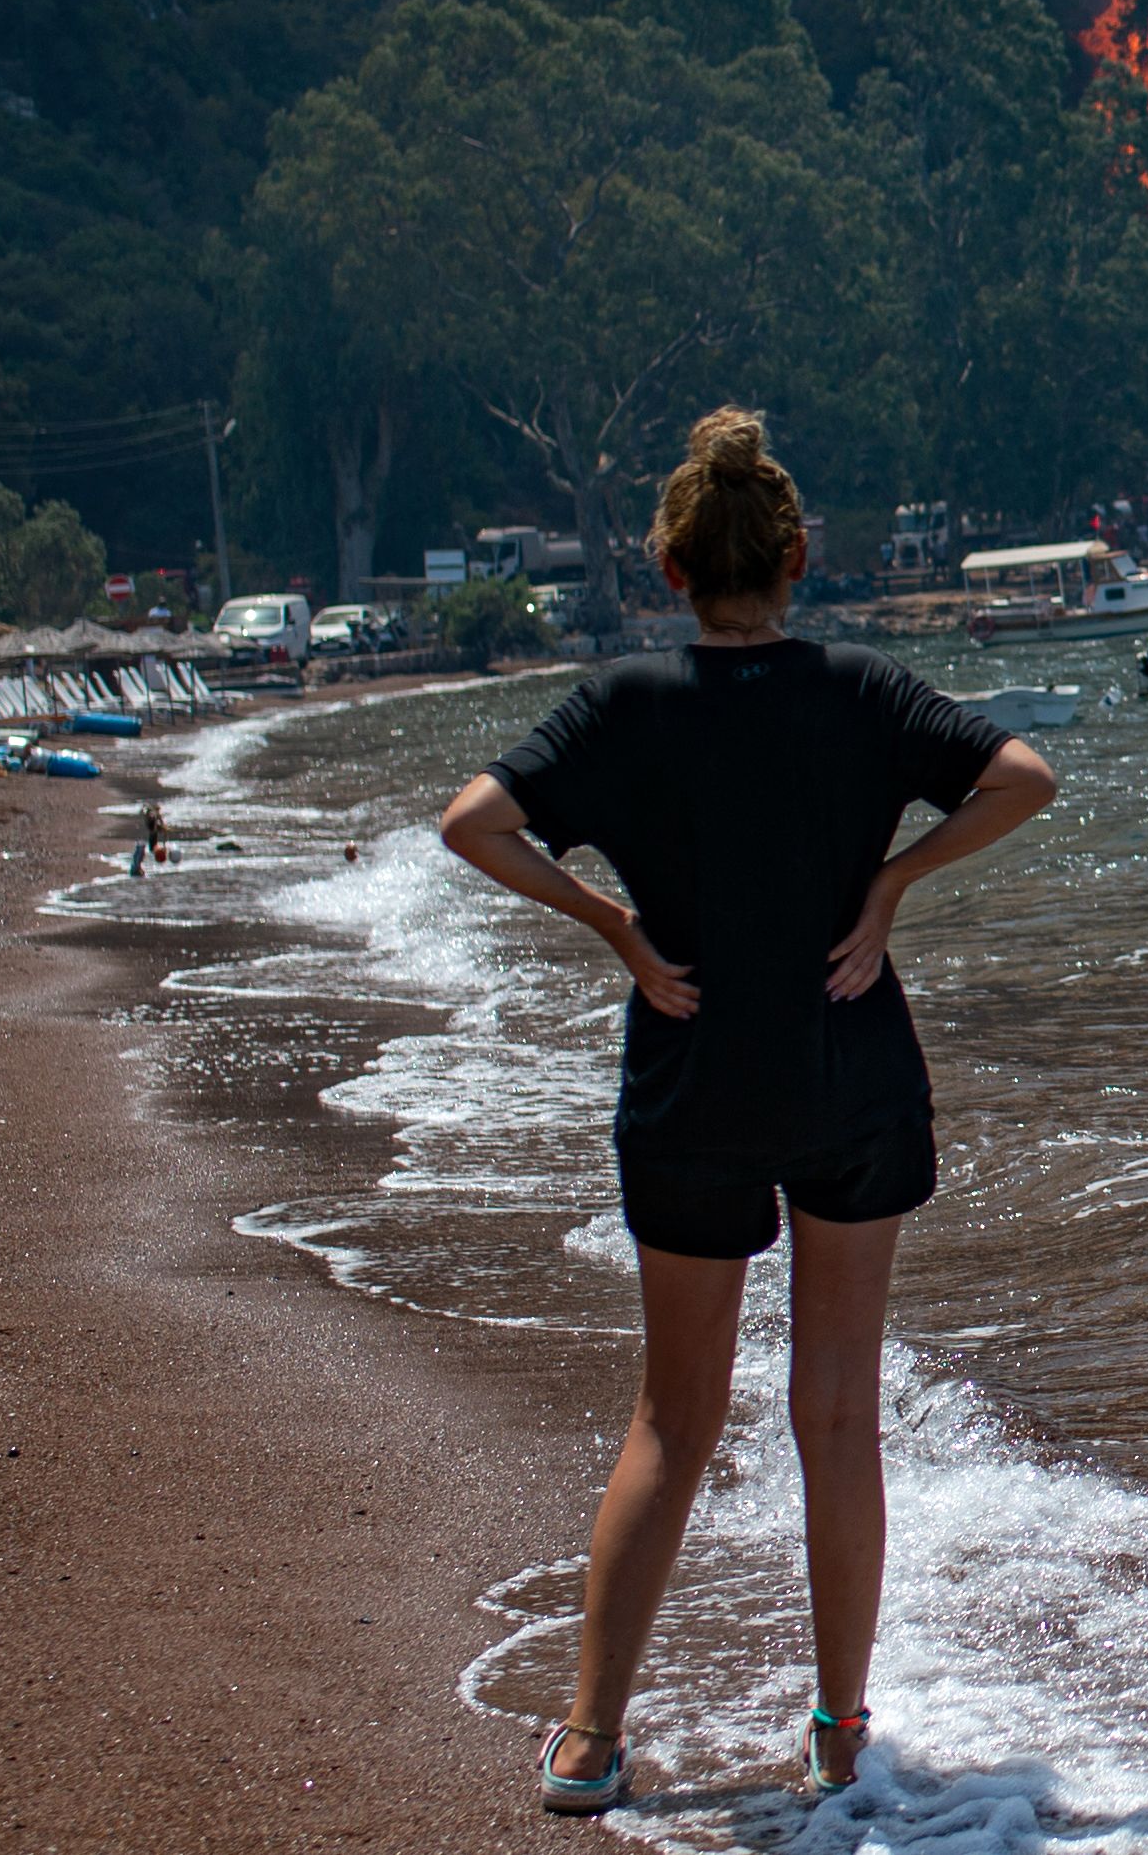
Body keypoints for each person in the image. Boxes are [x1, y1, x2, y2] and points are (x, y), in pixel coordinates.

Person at [438, 408, 1057, 1814]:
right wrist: (892, 882)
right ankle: (839, 1729)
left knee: (674, 1416)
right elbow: (1024, 775)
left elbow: (472, 821)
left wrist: (610, 923)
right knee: (835, 1414)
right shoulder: (858, 689)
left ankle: (593, 1737)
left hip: (691, 1079)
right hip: (847, 1073)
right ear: (795, 555)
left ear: (668, 567)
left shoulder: (627, 704)